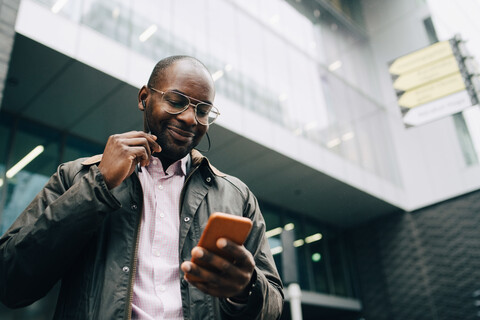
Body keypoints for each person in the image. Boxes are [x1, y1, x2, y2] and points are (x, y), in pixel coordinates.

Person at [0, 55, 284, 319]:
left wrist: (247, 289)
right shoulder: (76, 177)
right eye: (176, 101)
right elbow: (10, 281)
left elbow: (274, 305)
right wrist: (99, 185)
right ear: (144, 98)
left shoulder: (237, 196)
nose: (189, 118)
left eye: (203, 110)